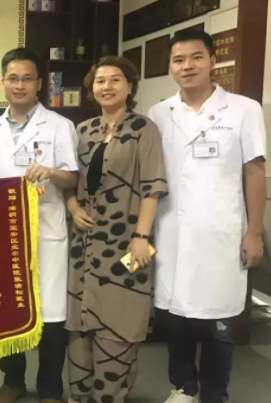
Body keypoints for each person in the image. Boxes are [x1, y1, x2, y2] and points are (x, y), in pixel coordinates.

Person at [147, 30, 267, 403]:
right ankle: (183, 387)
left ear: (213, 61)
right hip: (172, 232)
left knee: (220, 324)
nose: (187, 66)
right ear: (170, 67)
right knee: (176, 318)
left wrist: (254, 232)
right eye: (179, 60)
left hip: (221, 233)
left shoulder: (244, 109)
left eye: (196, 57)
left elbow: (255, 172)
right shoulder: (158, 114)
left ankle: (215, 393)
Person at [0, 48, 78, 403]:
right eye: (13, 78)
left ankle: (50, 388)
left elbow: (72, 178)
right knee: (8, 310)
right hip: (3, 236)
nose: (20, 85)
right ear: (3, 82)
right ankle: (13, 380)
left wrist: (50, 171)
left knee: (51, 316)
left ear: (40, 84)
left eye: (27, 79)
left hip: (46, 232)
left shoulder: (60, 126)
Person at [64, 56, 168, 403]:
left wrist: (141, 237)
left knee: (119, 329)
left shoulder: (143, 129)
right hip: (84, 246)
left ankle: (110, 397)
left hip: (126, 243)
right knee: (80, 332)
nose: (106, 86)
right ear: (91, 88)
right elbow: (70, 180)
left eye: (115, 79)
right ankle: (79, 397)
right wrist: (73, 206)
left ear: (130, 86)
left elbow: (152, 187)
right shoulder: (83, 130)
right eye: (100, 81)